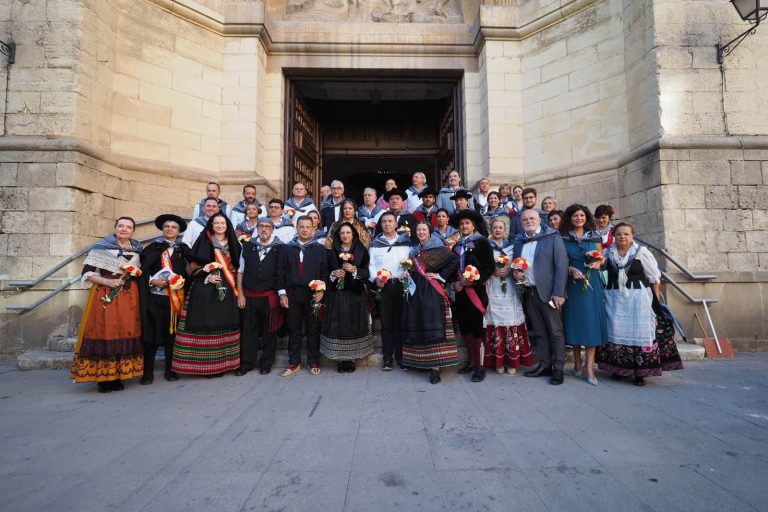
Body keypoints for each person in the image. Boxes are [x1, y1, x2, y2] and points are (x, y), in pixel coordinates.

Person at [598, 222, 683, 386]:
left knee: (638, 332)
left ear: (632, 236)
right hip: (615, 298)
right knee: (616, 329)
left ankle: (640, 373)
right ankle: (620, 369)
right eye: (618, 234)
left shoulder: (641, 252)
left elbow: (654, 278)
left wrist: (655, 301)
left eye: (626, 234)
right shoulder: (608, 253)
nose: (622, 237)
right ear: (613, 236)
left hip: (639, 299)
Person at [71, 217, 144, 393]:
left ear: (133, 231)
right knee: (106, 330)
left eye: (128, 227)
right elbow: (87, 273)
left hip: (129, 296)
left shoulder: (137, 250)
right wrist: (106, 281)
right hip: (106, 294)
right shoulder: (101, 248)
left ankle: (118, 375)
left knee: (124, 330)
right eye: (121, 226)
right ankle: (104, 378)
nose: (124, 229)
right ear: (115, 228)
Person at [172, 213, 241, 377]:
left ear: (227, 225)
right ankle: (206, 367)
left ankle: (223, 365)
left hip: (228, 289)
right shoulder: (204, 241)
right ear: (211, 225)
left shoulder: (234, 242)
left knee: (225, 324)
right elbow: (193, 266)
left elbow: (239, 266)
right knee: (205, 322)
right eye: (216, 223)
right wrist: (206, 275)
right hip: (205, 289)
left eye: (222, 223)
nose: (219, 226)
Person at [513, 208, 568, 385]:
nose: (528, 221)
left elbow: (561, 264)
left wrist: (558, 292)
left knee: (555, 331)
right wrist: (516, 274)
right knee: (540, 331)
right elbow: (516, 264)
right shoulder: (519, 240)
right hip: (529, 292)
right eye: (524, 220)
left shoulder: (552, 236)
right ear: (521, 223)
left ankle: (558, 368)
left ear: (539, 220)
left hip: (550, 292)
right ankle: (545, 364)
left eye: (531, 218)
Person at [401, 222, 459, 384]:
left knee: (433, 323)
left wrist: (441, 276)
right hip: (416, 292)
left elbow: (454, 259)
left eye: (424, 230)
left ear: (430, 232)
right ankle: (422, 362)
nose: (420, 232)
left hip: (432, 291)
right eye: (418, 229)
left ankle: (435, 368)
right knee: (419, 322)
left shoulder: (437, 247)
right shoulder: (414, 251)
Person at [138, 214, 191, 385]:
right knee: (151, 336)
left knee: (172, 336)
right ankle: (148, 373)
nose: (169, 229)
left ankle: (171, 370)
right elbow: (142, 271)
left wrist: (183, 281)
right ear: (162, 229)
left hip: (175, 299)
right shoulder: (152, 248)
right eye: (167, 226)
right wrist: (152, 281)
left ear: (178, 231)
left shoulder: (183, 249)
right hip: (155, 297)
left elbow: (193, 268)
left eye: (173, 227)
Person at [559, 204, 607, 386]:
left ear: (586, 217)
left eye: (581, 215)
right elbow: (561, 262)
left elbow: (602, 259)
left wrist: (599, 262)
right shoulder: (563, 239)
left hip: (592, 282)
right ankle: (577, 362)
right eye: (575, 216)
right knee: (575, 323)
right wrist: (571, 269)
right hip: (573, 284)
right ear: (569, 218)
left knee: (591, 323)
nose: (579, 218)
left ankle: (589, 367)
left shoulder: (595, 237)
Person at [277, 216, 328, 377]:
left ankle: (313, 361)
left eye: (308, 227)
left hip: (312, 294)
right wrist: (282, 293)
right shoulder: (287, 249)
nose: (305, 229)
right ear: (296, 228)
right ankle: (294, 363)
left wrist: (321, 290)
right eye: (301, 227)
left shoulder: (319, 249)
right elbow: (281, 272)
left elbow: (324, 272)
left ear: (313, 229)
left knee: (313, 329)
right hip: (292, 294)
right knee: (294, 329)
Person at [483, 217, 533, 375]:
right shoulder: (486, 246)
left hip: (510, 288)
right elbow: (482, 264)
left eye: (500, 227)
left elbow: (518, 264)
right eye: (495, 227)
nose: (497, 230)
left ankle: (512, 360)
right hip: (493, 286)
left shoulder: (512, 247)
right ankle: (497, 361)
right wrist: (492, 271)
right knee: (495, 319)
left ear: (505, 230)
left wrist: (511, 270)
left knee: (511, 320)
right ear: (491, 229)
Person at [322, 222, 374, 373]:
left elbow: (367, 272)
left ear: (353, 234)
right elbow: (325, 270)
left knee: (353, 324)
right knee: (339, 324)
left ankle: (351, 358)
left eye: (348, 233)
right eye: (342, 233)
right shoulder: (332, 251)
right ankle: (340, 358)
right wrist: (334, 273)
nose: (345, 235)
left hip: (355, 294)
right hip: (337, 295)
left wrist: (355, 270)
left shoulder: (361, 250)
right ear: (338, 236)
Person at [450, 209, 495, 383]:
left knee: (477, 330)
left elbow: (489, 266)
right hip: (460, 293)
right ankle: (471, 361)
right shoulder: (456, 245)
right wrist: (455, 283)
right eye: (461, 224)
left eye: (467, 223)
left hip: (476, 291)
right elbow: (453, 268)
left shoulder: (482, 243)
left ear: (473, 225)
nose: (464, 226)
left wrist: (474, 280)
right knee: (466, 328)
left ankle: (480, 366)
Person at [235, 218, 284, 376]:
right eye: (261, 226)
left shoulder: (280, 249)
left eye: (267, 227)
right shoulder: (248, 246)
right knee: (248, 331)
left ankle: (266, 363)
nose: (264, 229)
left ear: (272, 229)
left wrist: (282, 295)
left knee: (269, 333)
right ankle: (247, 364)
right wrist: (240, 294)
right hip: (249, 297)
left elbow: (281, 274)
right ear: (257, 228)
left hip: (269, 297)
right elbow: (240, 272)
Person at [368, 212, 413, 370]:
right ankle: (387, 359)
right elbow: (371, 265)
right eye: (384, 222)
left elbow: (413, 261)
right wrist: (376, 279)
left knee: (401, 322)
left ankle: (401, 358)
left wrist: (409, 272)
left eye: (390, 221)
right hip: (384, 286)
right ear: (381, 225)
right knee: (386, 323)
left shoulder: (406, 242)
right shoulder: (376, 244)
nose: (387, 224)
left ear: (396, 224)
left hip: (402, 285)